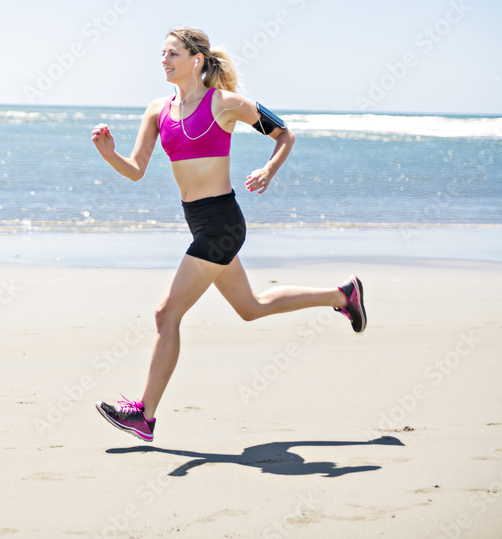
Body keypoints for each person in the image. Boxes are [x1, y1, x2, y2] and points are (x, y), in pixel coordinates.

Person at [91, 27, 367, 443]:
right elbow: (135, 170)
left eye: (173, 54)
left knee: (166, 314)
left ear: (196, 59)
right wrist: (110, 155)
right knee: (251, 307)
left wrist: (269, 169)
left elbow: (283, 133)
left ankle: (144, 415)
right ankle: (342, 295)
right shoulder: (157, 110)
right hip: (198, 222)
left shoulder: (225, 103)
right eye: (162, 54)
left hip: (222, 223)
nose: (164, 60)